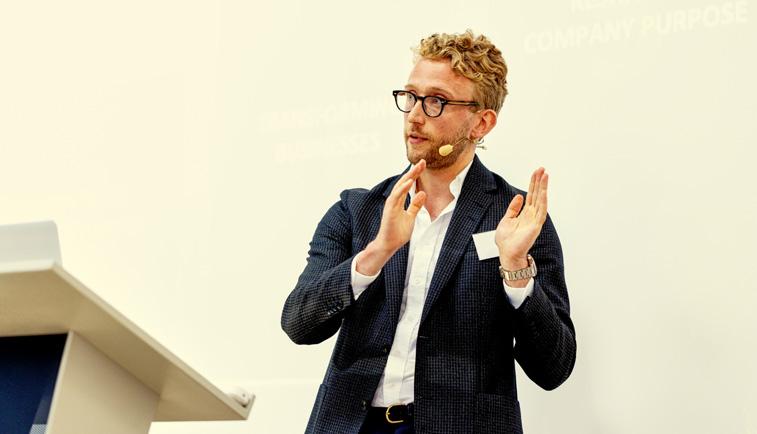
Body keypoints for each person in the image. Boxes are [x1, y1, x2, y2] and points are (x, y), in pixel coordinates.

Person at [281, 30, 576, 434]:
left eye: (436, 101)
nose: (415, 115)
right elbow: (299, 324)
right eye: (411, 96)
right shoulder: (356, 210)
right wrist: (377, 252)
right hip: (351, 425)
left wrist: (516, 270)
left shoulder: (517, 217)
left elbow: (553, 367)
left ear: (482, 122)